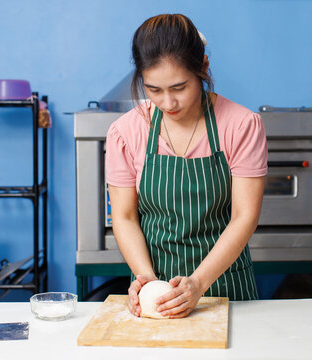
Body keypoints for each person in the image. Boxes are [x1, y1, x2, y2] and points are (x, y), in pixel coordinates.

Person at [105, 13, 267, 319]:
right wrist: (147, 282)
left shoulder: (241, 125)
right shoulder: (125, 132)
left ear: (203, 67)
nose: (168, 103)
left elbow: (245, 216)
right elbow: (124, 217)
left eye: (179, 87)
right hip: (155, 292)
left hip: (227, 286)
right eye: (153, 90)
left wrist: (198, 283)